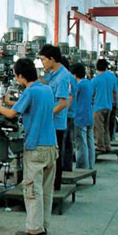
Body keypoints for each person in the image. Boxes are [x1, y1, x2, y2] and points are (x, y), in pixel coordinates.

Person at [0, 58, 56, 235]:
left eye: (16, 76)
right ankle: (43, 225)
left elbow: (11, 114)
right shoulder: (46, 89)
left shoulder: (30, 92)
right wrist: (8, 102)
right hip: (51, 146)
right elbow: (31, 107)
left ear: (21, 76)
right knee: (46, 190)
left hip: (36, 147)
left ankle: (34, 229)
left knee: (32, 189)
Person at [38, 45, 70, 191]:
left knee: (55, 155)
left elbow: (63, 103)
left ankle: (55, 185)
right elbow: (46, 83)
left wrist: (46, 115)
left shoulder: (62, 77)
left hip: (56, 123)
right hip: (51, 121)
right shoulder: (53, 73)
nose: (43, 63)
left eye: (44, 60)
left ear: (52, 59)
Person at [71, 63, 95, 170]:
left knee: (81, 143)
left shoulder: (78, 85)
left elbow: (72, 99)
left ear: (74, 74)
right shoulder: (89, 83)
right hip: (89, 115)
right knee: (90, 142)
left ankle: (82, 166)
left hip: (80, 117)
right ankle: (91, 165)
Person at [92, 59, 117, 153]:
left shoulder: (95, 80)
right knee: (106, 127)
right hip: (109, 106)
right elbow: (115, 92)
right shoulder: (112, 77)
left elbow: (91, 94)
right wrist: (114, 103)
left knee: (99, 128)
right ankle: (107, 145)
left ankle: (100, 146)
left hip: (98, 106)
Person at [59, 56, 76, 172]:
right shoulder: (70, 77)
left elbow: (69, 97)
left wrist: (62, 110)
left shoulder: (66, 77)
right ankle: (67, 165)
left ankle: (63, 166)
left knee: (63, 142)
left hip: (66, 114)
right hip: (70, 113)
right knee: (68, 142)